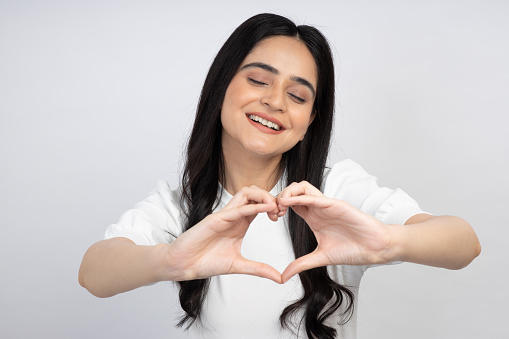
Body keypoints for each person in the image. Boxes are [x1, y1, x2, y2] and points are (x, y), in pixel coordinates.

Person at [78, 13, 481, 339]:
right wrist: (170, 260)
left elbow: (464, 242)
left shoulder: (333, 194)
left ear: (310, 120)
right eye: (258, 80)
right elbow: (94, 273)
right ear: (221, 86)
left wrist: (389, 244)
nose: (274, 101)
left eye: (298, 95)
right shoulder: (178, 207)